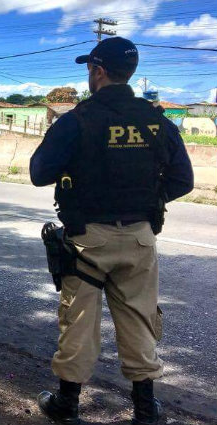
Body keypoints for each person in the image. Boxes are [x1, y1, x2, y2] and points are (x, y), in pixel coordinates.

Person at [30, 37, 194, 425]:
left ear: (98, 71)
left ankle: (67, 405)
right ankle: (144, 409)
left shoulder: (79, 119)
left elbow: (39, 173)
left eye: (90, 69)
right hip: (139, 236)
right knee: (138, 319)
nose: (89, 75)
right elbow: (183, 180)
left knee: (79, 321)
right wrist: (150, 199)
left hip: (87, 239)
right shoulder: (157, 122)